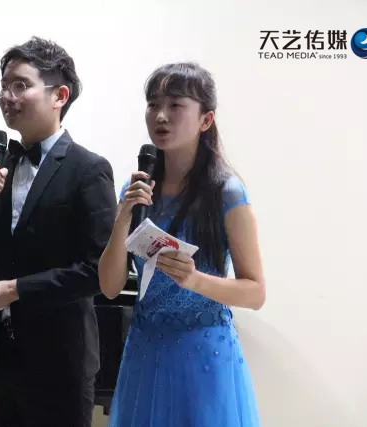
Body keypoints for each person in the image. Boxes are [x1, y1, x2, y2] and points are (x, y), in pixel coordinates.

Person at [0, 36, 117, 427]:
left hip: (60, 364)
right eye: (3, 86)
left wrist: (14, 290)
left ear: (59, 95)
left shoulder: (88, 169)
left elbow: (97, 271)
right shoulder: (3, 165)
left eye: (20, 85)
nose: (6, 96)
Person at [98, 62, 266, 426]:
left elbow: (255, 293)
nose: (161, 116)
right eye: (153, 104)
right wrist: (123, 215)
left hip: (204, 352)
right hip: (145, 349)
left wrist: (194, 280)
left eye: (175, 105)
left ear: (206, 120)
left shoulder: (227, 192)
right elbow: (110, 287)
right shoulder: (136, 190)